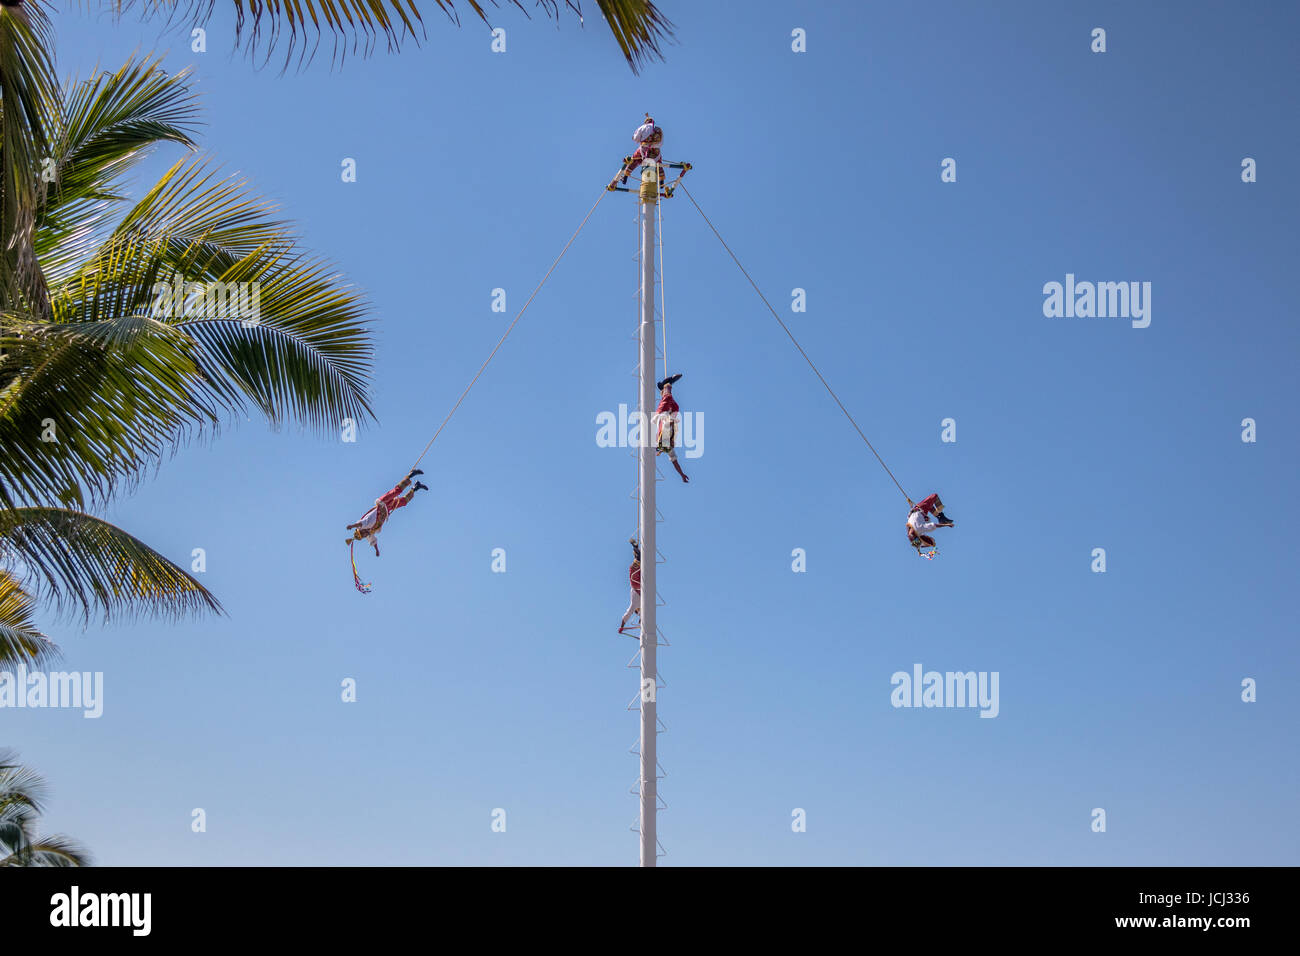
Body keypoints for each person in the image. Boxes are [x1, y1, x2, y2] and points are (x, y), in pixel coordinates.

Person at [346, 469, 429, 557]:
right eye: (363, 536)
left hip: (382, 503)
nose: (364, 535)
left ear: (361, 531)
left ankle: (410, 475)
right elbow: (373, 542)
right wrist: (377, 550)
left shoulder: (364, 524)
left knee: (396, 491)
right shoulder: (369, 532)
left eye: (362, 534)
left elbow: (359, 524)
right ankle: (415, 487)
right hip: (386, 509)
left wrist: (352, 526)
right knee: (403, 502)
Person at [654, 373, 689, 483]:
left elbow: (666, 424)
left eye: (672, 444)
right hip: (670, 413)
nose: (674, 444)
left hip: (662, 413)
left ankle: (666, 384)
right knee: (676, 407)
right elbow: (675, 463)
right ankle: (664, 386)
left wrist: (671, 420)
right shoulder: (669, 449)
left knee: (667, 397)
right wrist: (682, 475)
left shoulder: (664, 441)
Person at [612, 114, 665, 188]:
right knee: (658, 162)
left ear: (646, 122)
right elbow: (661, 142)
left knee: (634, 159)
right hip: (655, 150)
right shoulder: (659, 130)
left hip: (644, 149)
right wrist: (654, 145)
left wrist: (637, 138)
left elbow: (636, 138)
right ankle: (661, 181)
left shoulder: (643, 127)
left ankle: (625, 176)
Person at [619, 538, 642, 634]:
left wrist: (622, 626)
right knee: (639, 562)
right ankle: (636, 550)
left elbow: (626, 616)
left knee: (639, 561)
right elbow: (642, 617)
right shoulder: (642, 606)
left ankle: (636, 549)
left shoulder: (635, 605)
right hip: (637, 583)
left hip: (636, 583)